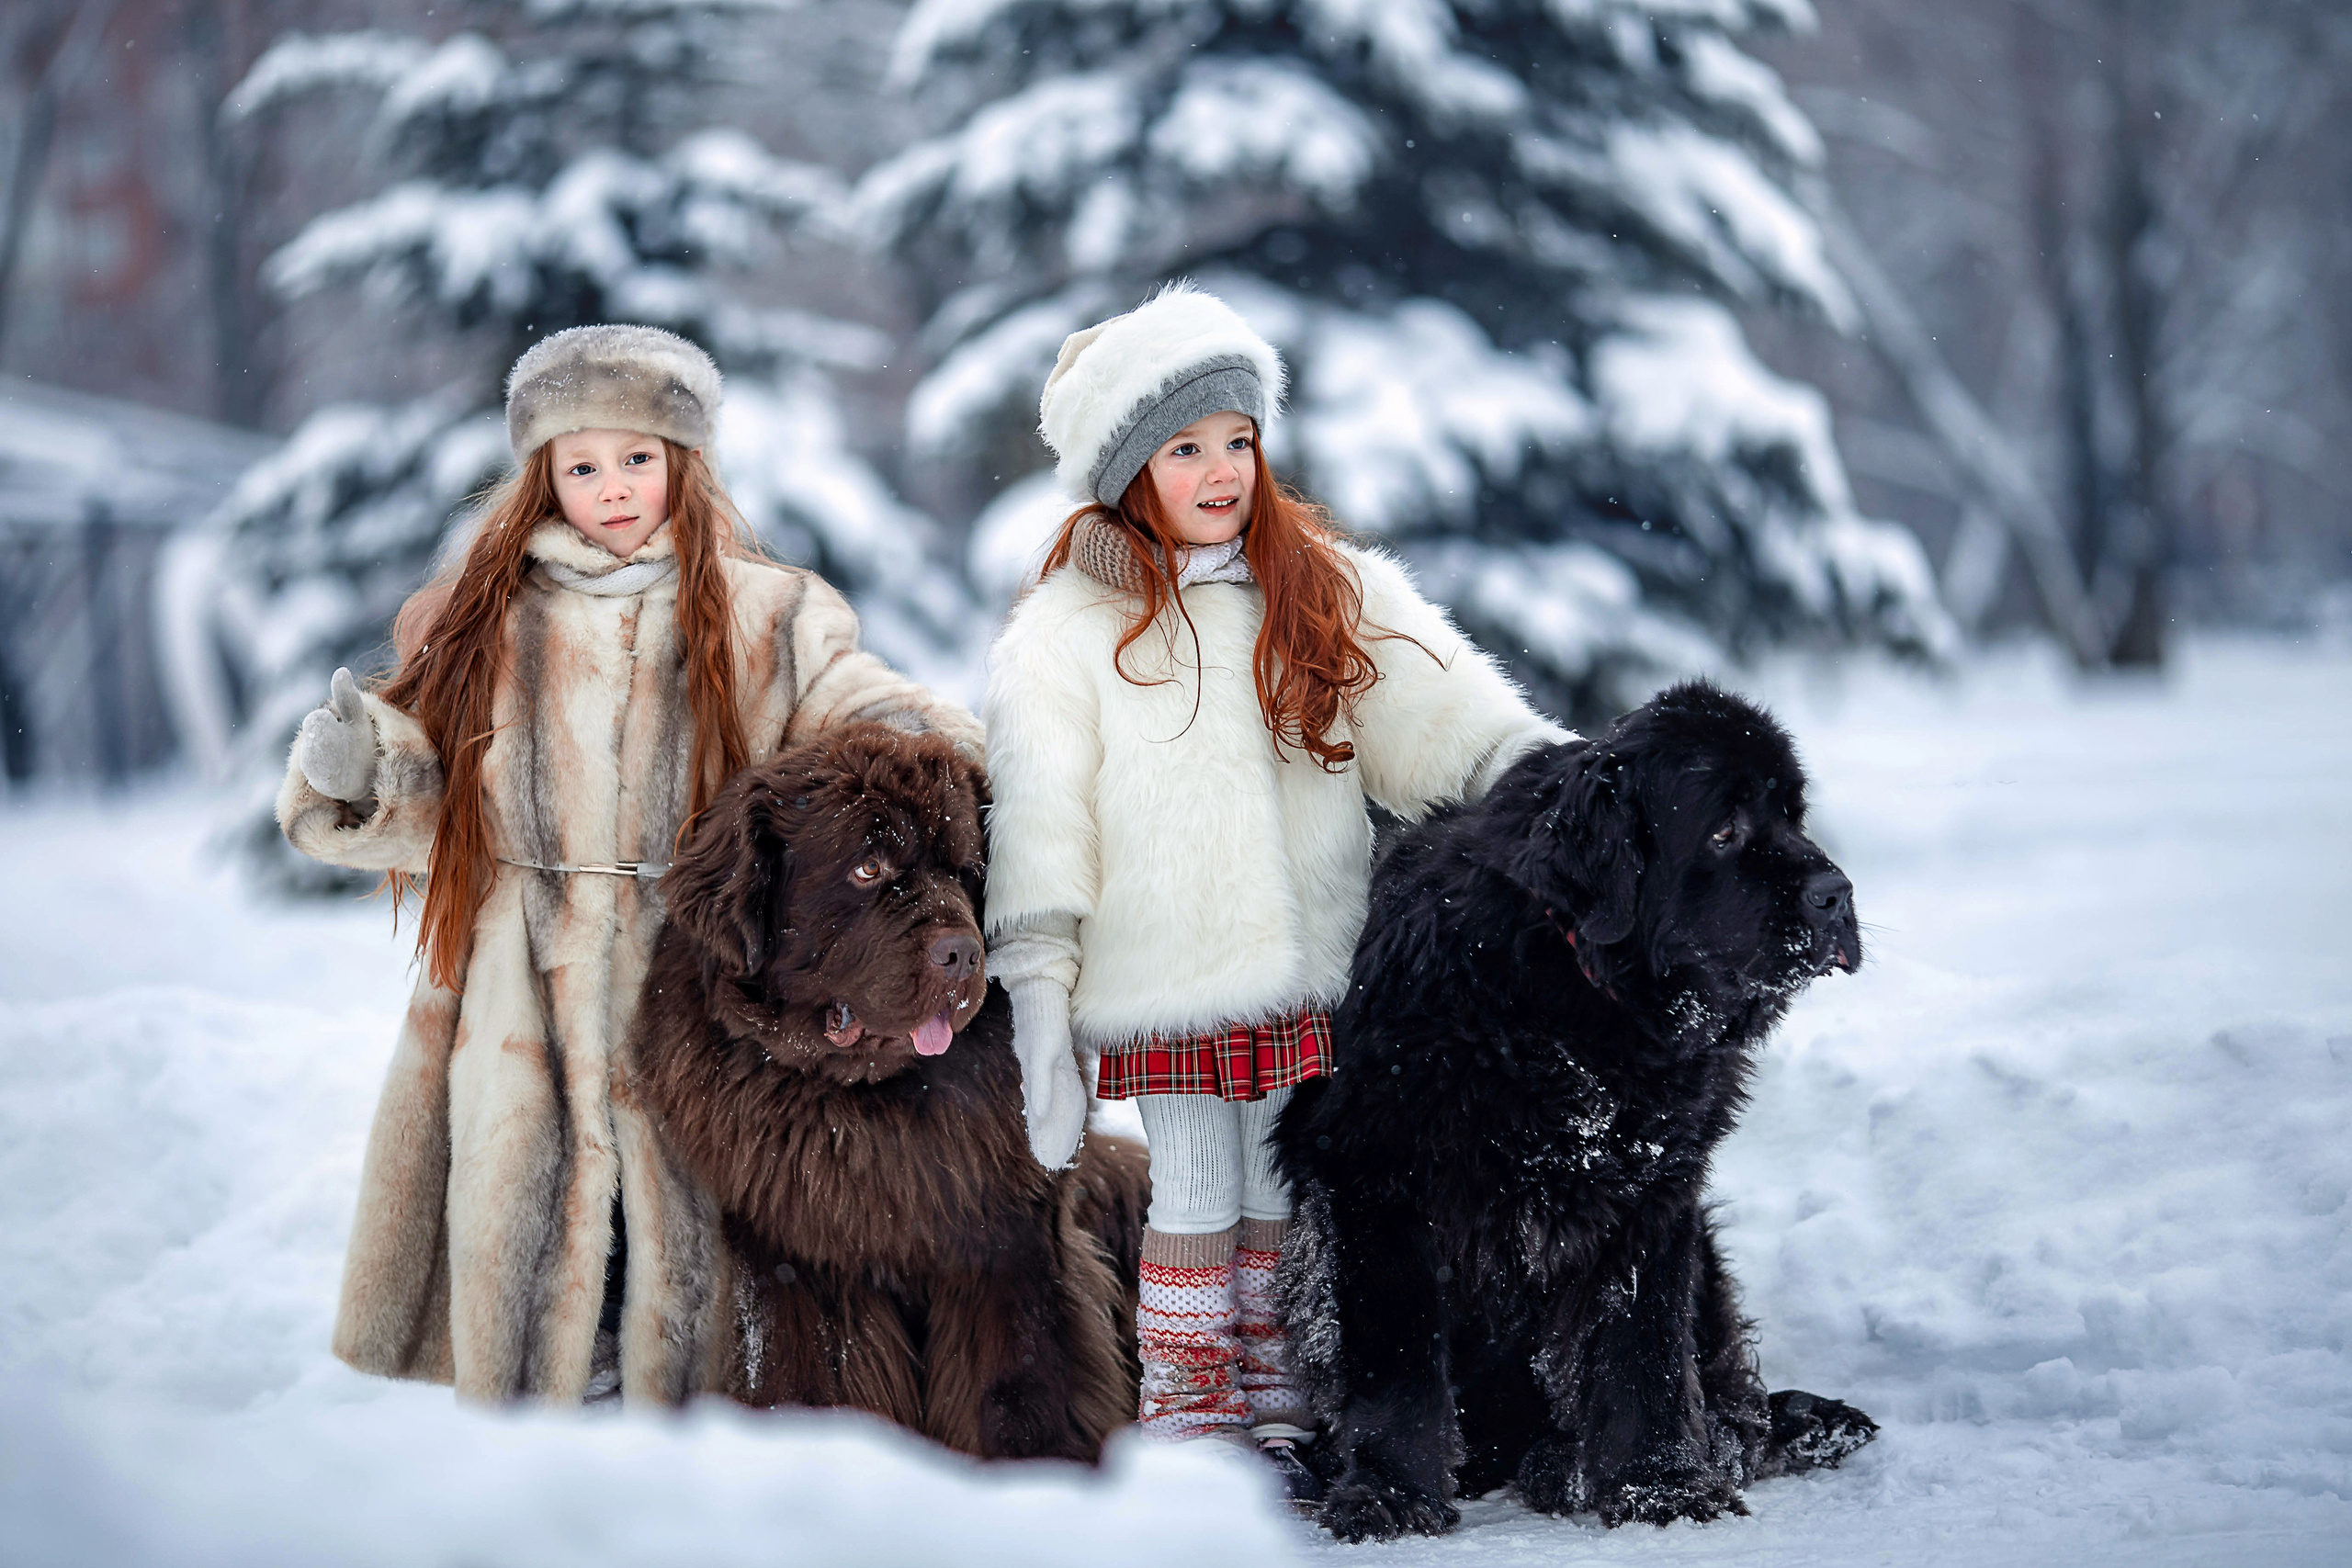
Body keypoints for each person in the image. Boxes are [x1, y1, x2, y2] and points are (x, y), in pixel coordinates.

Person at [279, 323, 979, 1405]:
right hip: (522, 962)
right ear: (544, 478)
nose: (613, 489)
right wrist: (364, 770)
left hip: (688, 952)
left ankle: (693, 1386)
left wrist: (949, 750)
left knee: (688, 1180)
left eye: (636, 460)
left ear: (682, 465)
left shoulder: (766, 614)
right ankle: (558, 1379)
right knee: (534, 1169)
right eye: (583, 465)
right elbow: (442, 796)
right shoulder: (486, 620)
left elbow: (854, 713)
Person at [981, 285, 1568, 1487]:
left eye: (1237, 440)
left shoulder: (1322, 584)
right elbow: (1041, 822)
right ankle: (1197, 1411)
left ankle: (1287, 1397)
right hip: (1168, 975)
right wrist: (1038, 992)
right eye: (1185, 446)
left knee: (1289, 1177)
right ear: (1129, 466)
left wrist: (1549, 782)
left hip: (1317, 963)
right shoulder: (1066, 627)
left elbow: (1442, 710)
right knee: (1199, 1180)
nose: (1219, 470)